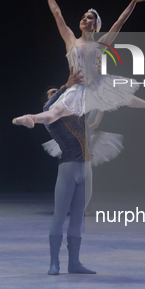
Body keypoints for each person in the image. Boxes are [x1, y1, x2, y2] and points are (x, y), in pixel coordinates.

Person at [12, 0, 145, 128]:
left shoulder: (101, 44)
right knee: (57, 111)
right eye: (83, 17)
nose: (85, 19)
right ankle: (31, 118)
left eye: (89, 17)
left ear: (96, 25)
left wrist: (133, 1)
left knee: (124, 97)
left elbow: (120, 21)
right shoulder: (71, 39)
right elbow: (57, 13)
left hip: (97, 84)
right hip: (78, 87)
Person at [40, 68, 96, 275]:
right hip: (68, 168)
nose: (56, 94)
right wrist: (66, 85)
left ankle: (75, 263)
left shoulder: (78, 114)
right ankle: (54, 262)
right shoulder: (51, 117)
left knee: (78, 218)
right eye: (51, 92)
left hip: (85, 169)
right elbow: (48, 105)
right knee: (59, 216)